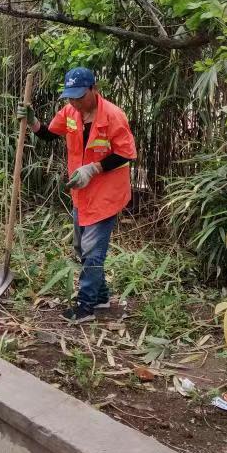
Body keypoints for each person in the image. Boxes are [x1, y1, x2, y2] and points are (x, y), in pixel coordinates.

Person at [17, 67, 137, 323]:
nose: (74, 102)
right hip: (81, 193)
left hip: (106, 193)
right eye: (70, 97)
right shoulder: (70, 112)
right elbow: (49, 135)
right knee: (82, 248)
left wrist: (94, 168)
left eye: (79, 96)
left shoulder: (114, 116)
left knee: (93, 252)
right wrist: (33, 120)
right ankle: (102, 296)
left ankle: (85, 308)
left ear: (94, 89)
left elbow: (126, 154)